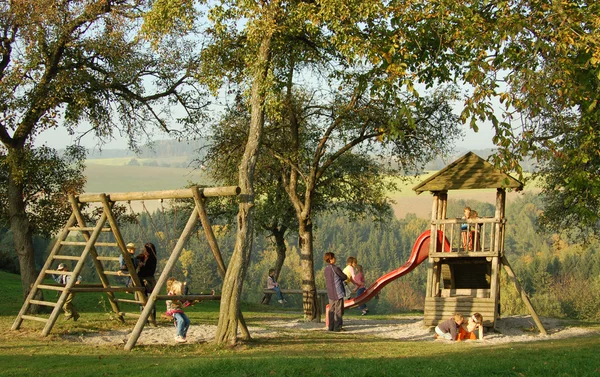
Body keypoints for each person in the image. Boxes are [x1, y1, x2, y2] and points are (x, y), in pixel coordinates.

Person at [324, 252, 347, 332]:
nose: (335, 259)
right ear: (331, 259)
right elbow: (344, 277)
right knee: (338, 310)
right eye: (334, 257)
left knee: (331, 310)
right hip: (338, 291)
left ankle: (331, 327)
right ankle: (337, 327)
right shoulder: (335, 268)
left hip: (330, 292)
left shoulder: (326, 269)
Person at [137, 242, 158, 323]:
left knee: (150, 299)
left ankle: (151, 318)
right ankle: (144, 318)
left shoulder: (152, 258)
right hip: (142, 279)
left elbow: (149, 270)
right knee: (142, 299)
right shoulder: (142, 257)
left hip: (148, 279)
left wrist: (142, 266)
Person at [165, 277, 191, 343]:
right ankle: (178, 335)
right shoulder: (170, 294)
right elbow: (170, 301)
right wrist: (177, 302)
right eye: (181, 290)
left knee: (187, 321)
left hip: (179, 310)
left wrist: (188, 303)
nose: (182, 291)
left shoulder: (178, 295)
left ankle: (183, 335)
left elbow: (183, 303)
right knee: (181, 320)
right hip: (172, 311)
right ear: (176, 289)